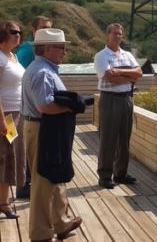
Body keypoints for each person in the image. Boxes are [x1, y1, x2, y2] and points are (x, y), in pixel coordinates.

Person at [22, 28, 82, 242]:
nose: (64, 52)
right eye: (61, 48)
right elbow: (45, 106)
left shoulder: (42, 68)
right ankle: (41, 233)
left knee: (54, 176)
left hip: (41, 128)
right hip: (42, 129)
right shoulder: (43, 72)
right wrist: (71, 108)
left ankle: (62, 222)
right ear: (47, 49)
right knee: (43, 181)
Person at [94, 23, 142, 189]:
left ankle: (121, 173)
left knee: (124, 138)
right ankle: (105, 175)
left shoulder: (127, 55)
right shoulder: (101, 56)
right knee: (108, 138)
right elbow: (109, 77)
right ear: (107, 35)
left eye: (120, 34)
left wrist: (120, 72)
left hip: (127, 99)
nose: (118, 37)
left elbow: (139, 73)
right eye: (115, 33)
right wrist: (130, 75)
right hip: (110, 99)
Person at [15, 15, 52, 199]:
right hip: (23, 107)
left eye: (49, 28)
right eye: (43, 28)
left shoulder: (39, 50)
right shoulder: (28, 51)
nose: (46, 32)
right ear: (33, 31)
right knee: (21, 147)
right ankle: (23, 186)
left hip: (29, 106)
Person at [0, 20, 25, 219]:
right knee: (6, 157)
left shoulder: (13, 57)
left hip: (17, 114)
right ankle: (3, 203)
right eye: (14, 32)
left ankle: (4, 201)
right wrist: (1, 119)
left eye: (19, 32)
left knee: (10, 157)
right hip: (6, 115)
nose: (18, 35)